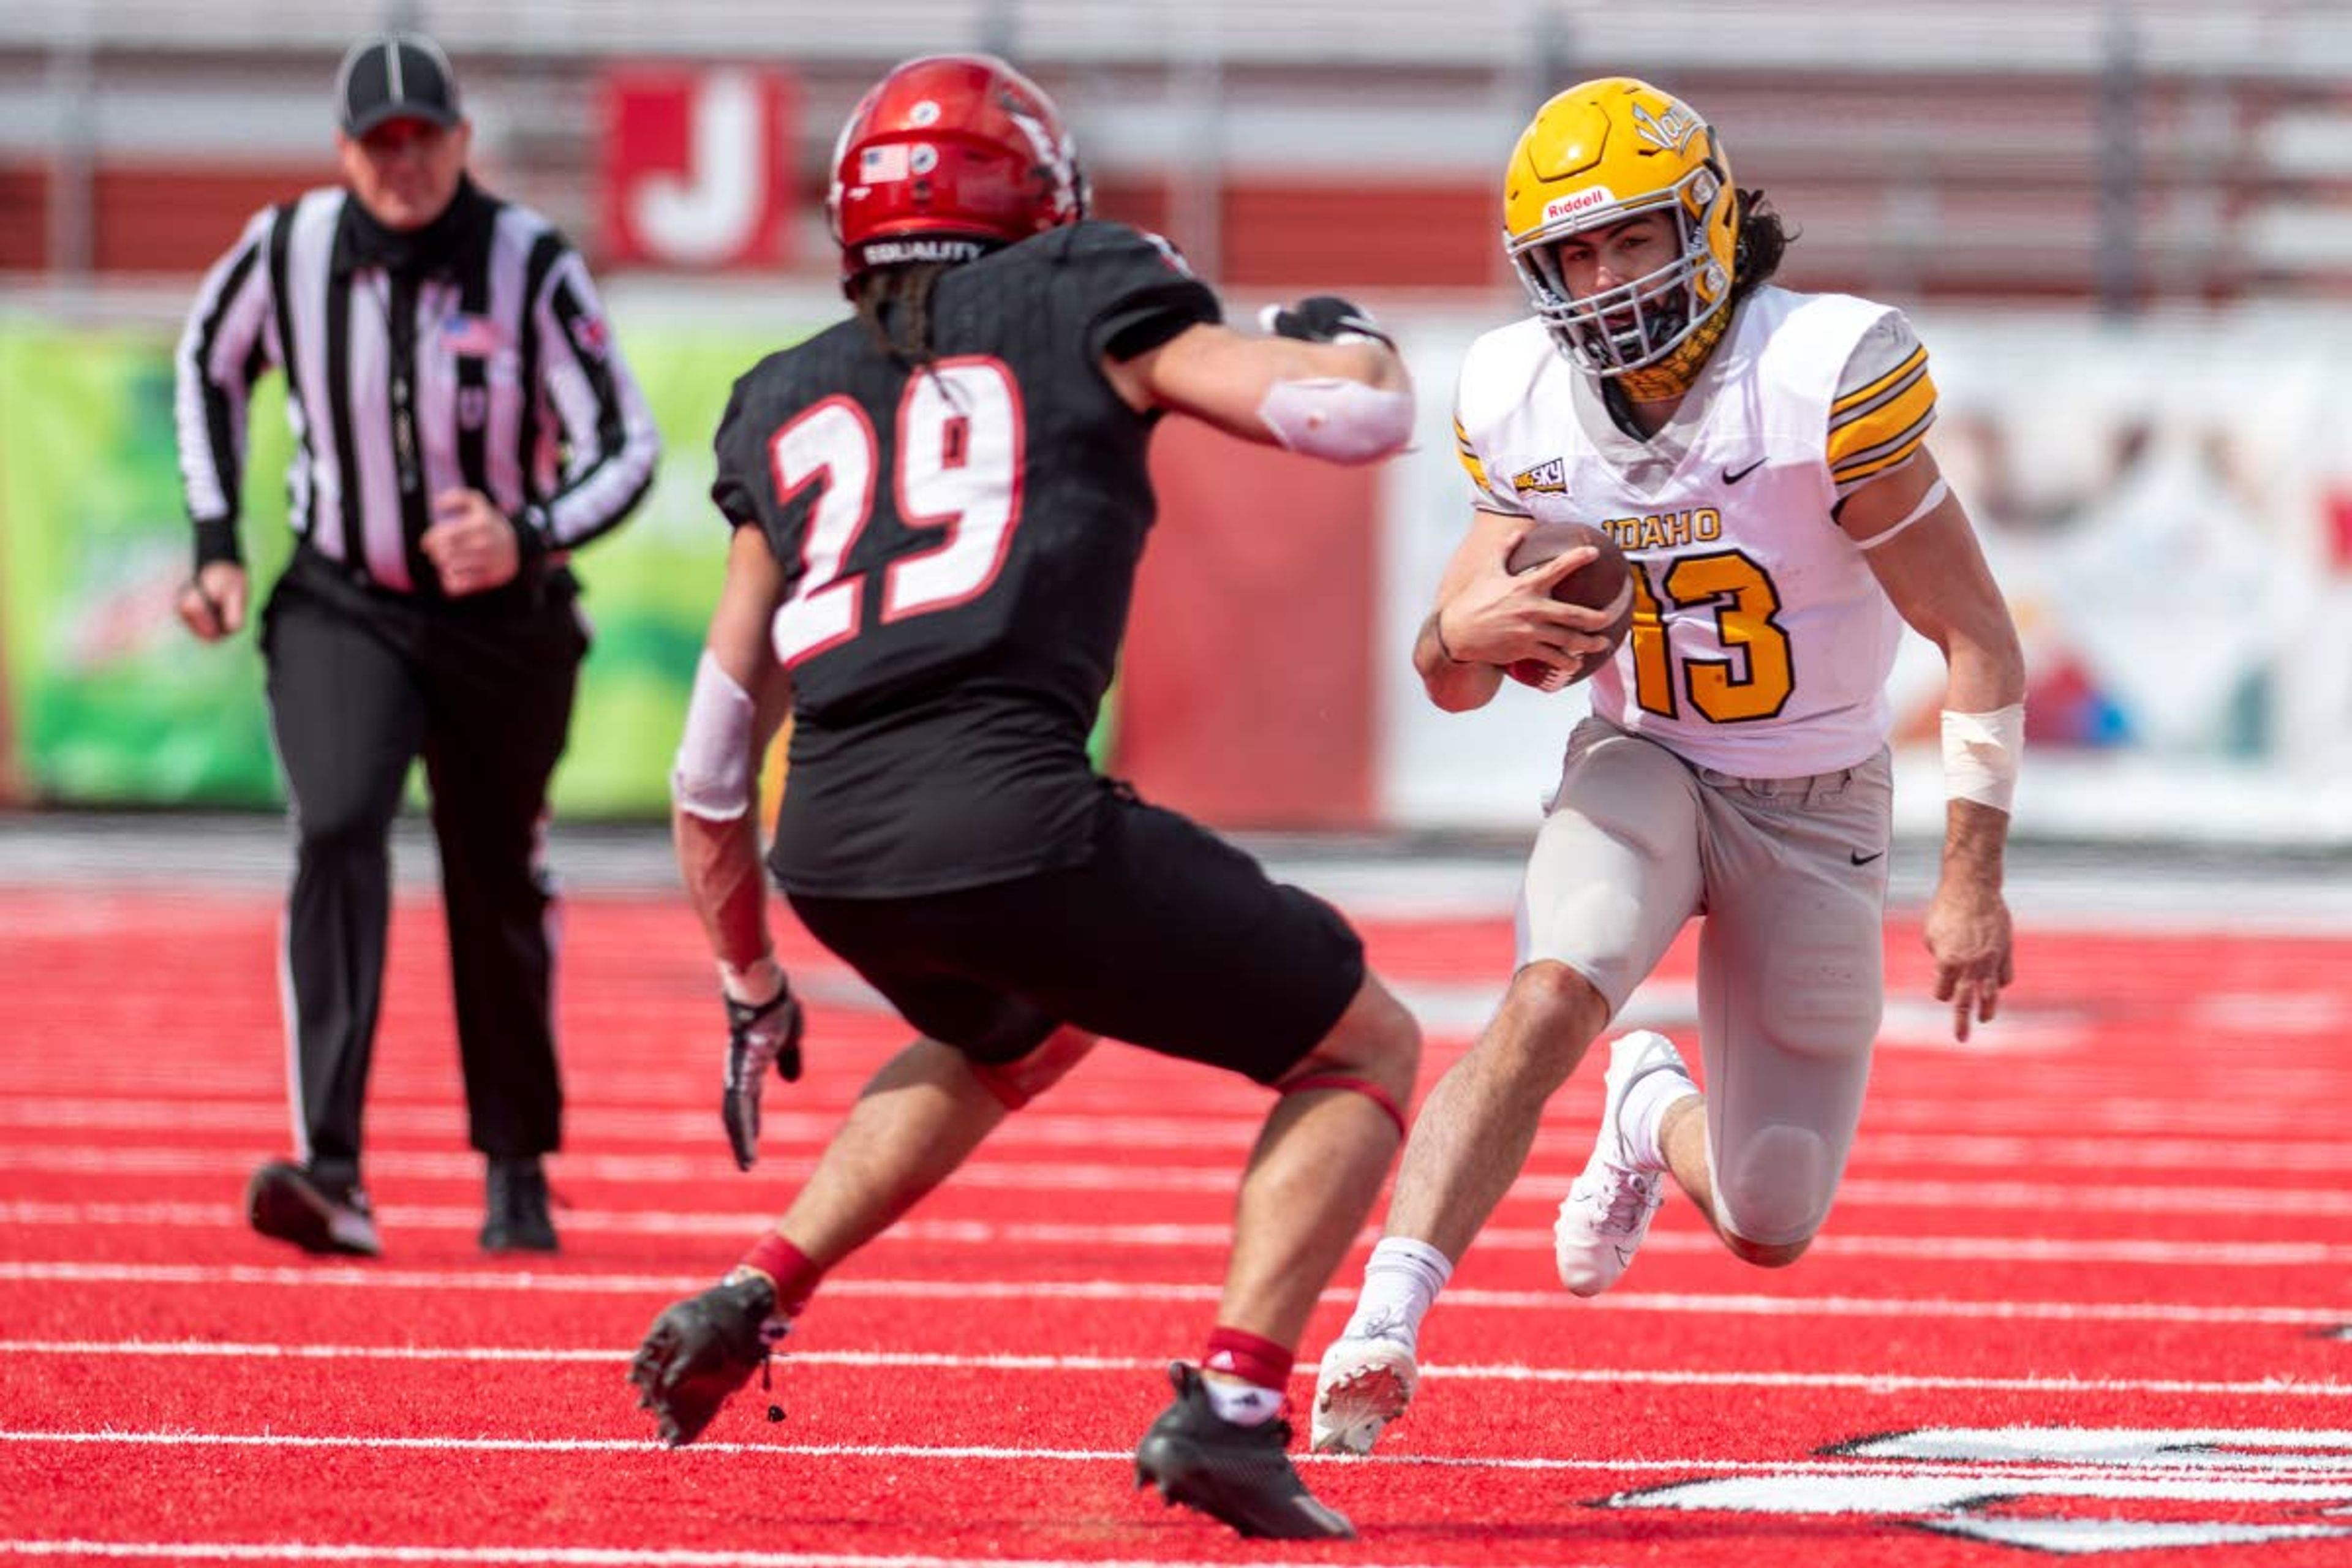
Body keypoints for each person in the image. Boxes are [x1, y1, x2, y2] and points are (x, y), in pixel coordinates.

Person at [623, 53, 1420, 1542]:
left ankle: (758, 1286)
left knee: (1015, 1028)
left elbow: (712, 765)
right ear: (1041, 207)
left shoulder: (782, 396)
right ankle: (1238, 1409)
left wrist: (751, 983)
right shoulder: (1083, 287)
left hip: (835, 851)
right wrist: (1350, 340)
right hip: (1010, 813)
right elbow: (1345, 418)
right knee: (1364, 1044)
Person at [1309, 76, 2026, 1453]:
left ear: (1707, 224)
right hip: (1646, 759)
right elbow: (1445, 680)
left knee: (1771, 1217)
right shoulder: (1522, 397)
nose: (1605, 281)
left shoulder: (1820, 373)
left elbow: (1979, 638)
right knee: (1545, 996)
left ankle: (1646, 1110)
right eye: (1573, 255)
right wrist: (1461, 626)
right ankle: (1383, 1318)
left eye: (1630, 240)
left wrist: (1972, 878)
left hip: (1819, 802)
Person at [173, 31, 660, 1258]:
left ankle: (515, 1165)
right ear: (345, 151)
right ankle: (331, 1162)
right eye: (379, 142)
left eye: (422, 137)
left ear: (461, 141)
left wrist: (527, 531)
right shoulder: (286, 248)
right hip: (345, 598)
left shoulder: (531, 261)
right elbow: (207, 364)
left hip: (502, 623)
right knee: (337, 824)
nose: (402, 162)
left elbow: (629, 443)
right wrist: (217, 537)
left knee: (495, 869)